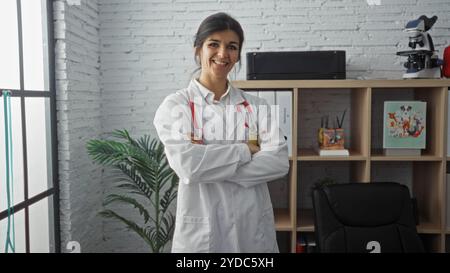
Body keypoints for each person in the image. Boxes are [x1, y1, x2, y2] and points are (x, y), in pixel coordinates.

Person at [153, 12, 289, 253]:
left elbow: (278, 162)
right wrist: (245, 150)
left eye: (232, 47)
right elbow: (188, 166)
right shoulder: (176, 106)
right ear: (198, 49)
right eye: (213, 44)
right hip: (203, 231)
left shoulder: (256, 107)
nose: (223, 54)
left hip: (252, 226)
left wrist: (208, 162)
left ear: (237, 55)